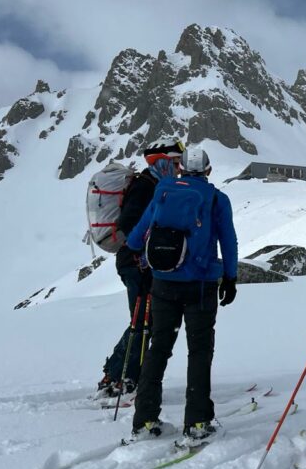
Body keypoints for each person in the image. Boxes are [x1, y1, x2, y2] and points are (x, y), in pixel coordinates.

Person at [124, 146, 238, 442]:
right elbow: (229, 240)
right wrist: (230, 278)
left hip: (163, 282)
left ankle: (145, 418)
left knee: (158, 348)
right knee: (199, 351)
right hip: (200, 286)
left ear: (181, 169)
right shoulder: (216, 199)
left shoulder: (163, 190)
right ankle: (198, 421)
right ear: (208, 170)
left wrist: (146, 260)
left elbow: (137, 238)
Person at [96, 140, 184, 398]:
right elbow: (128, 222)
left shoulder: (153, 184)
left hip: (140, 263)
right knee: (142, 320)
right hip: (135, 263)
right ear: (161, 161)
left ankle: (123, 375)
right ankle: (119, 377)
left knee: (146, 320)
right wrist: (142, 253)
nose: (178, 169)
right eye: (176, 162)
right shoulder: (145, 186)